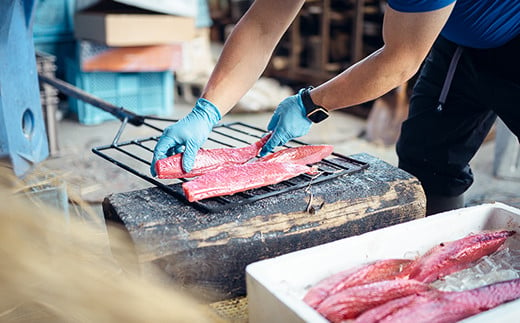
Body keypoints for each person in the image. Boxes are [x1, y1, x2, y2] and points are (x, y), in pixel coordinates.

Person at [151, 0, 520, 215]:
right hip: (458, 37)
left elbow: (400, 60)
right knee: (428, 158)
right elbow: (262, 26)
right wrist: (207, 110)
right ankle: (436, 260)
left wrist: (311, 103)